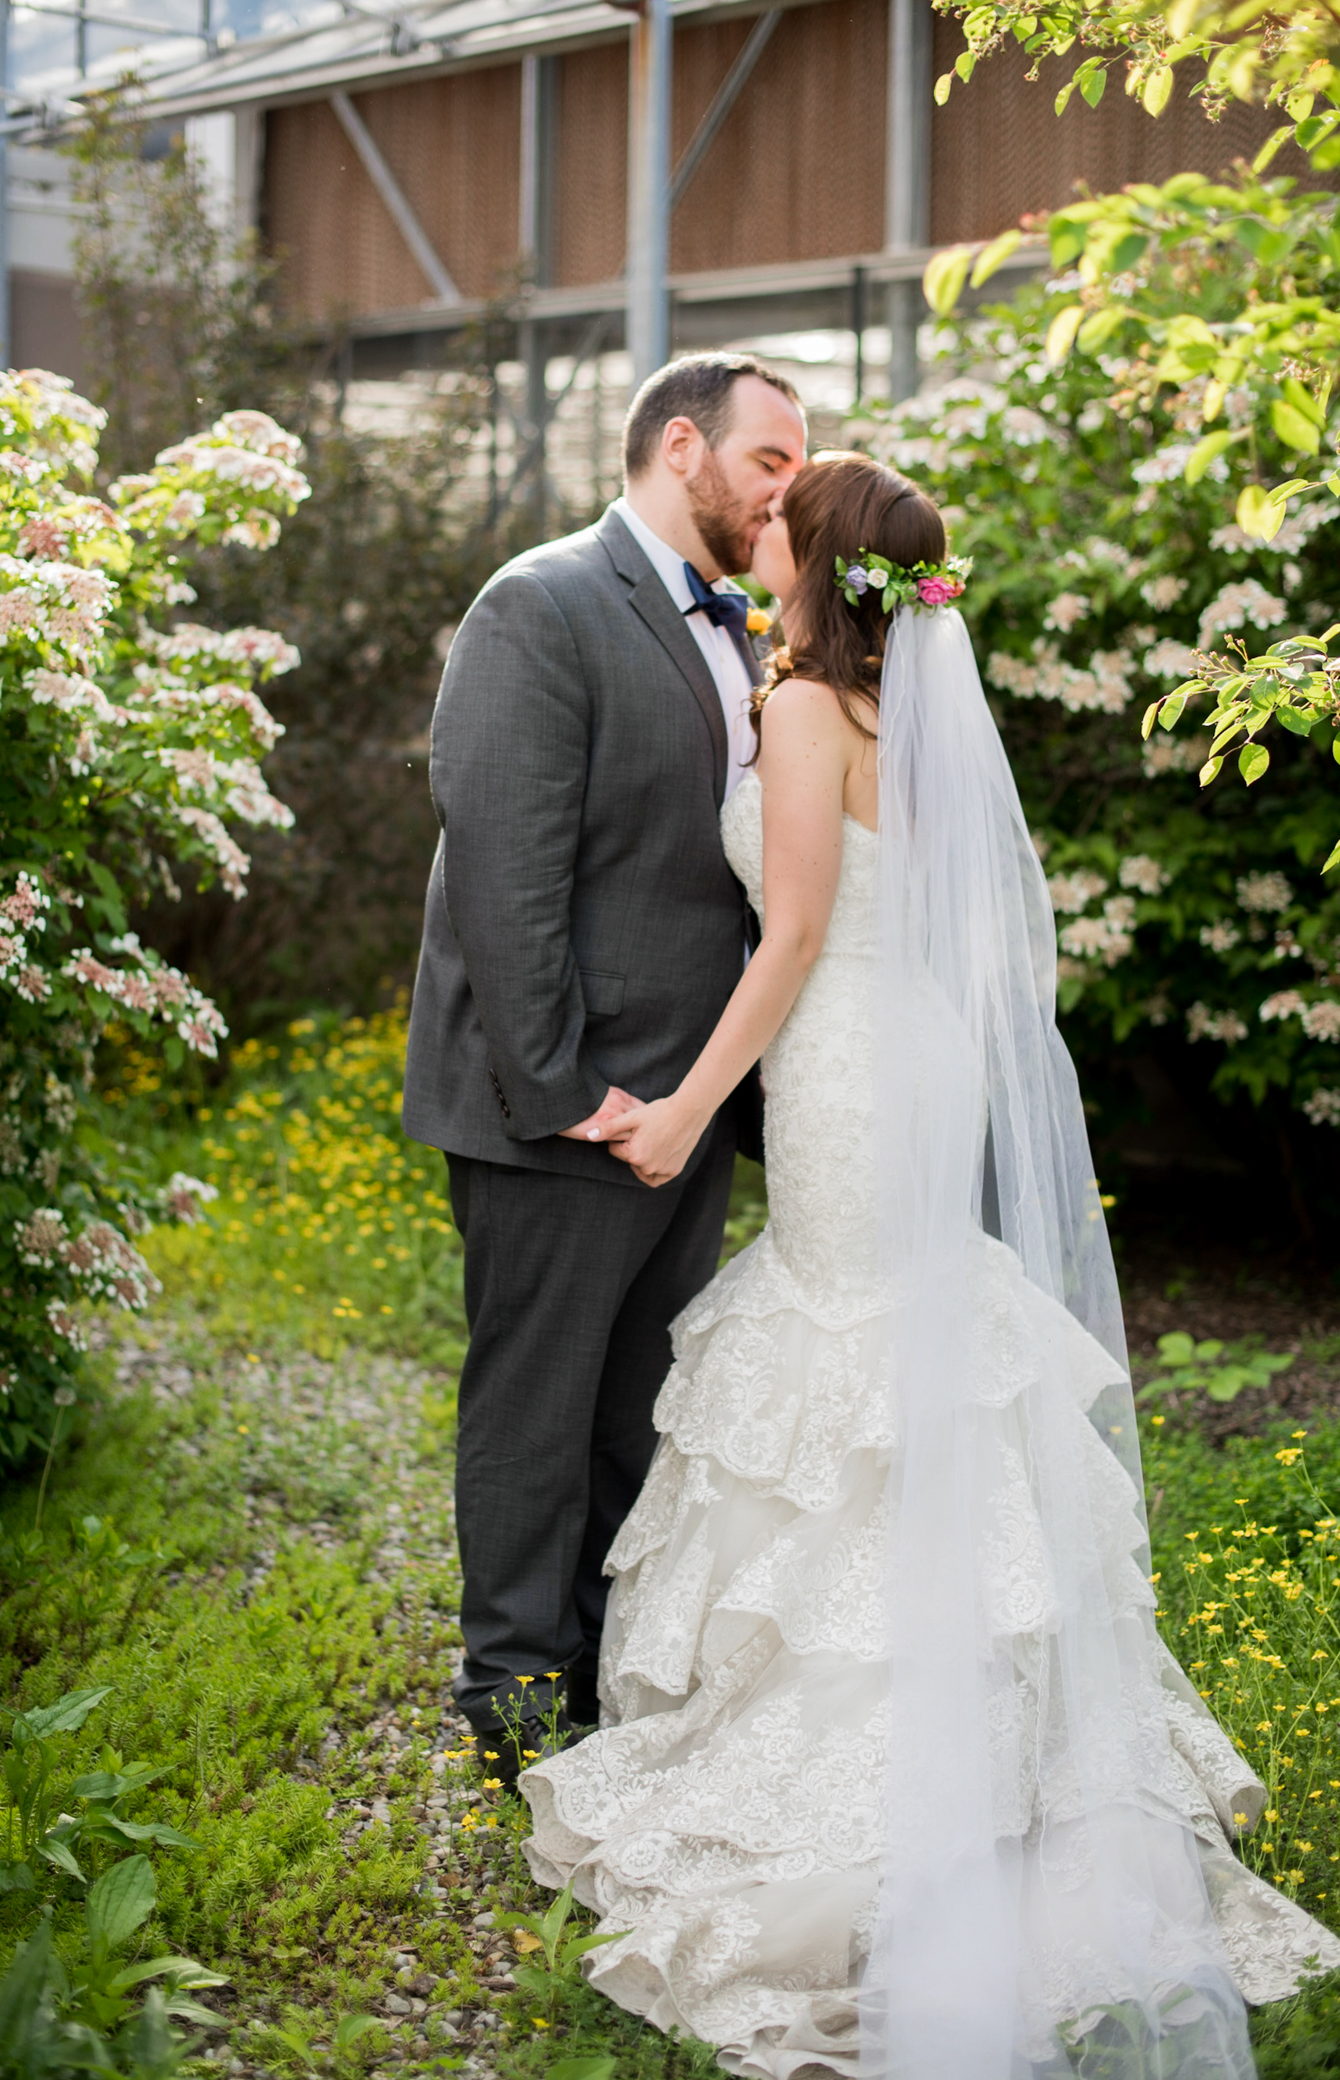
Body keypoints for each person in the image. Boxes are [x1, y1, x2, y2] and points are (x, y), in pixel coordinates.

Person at [521, 453, 1340, 2078]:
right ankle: (998, 1720)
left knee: (855, 1353)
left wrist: (690, 1108)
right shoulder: (903, 711)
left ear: (819, 559)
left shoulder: (808, 710)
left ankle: (876, 1761)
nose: (752, 529)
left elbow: (799, 935)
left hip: (841, 1062)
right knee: (914, 1347)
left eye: (775, 522)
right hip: (909, 1060)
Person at [402, 351, 808, 1781]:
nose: (787, 489)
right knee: (535, 1413)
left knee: (636, 1414)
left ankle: (596, 1674)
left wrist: (708, 1105)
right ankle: (513, 1705)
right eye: (769, 461)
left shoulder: (735, 626)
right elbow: (503, 879)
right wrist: (565, 1093)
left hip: (679, 1112)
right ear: (680, 445)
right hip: (564, 1109)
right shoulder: (542, 602)